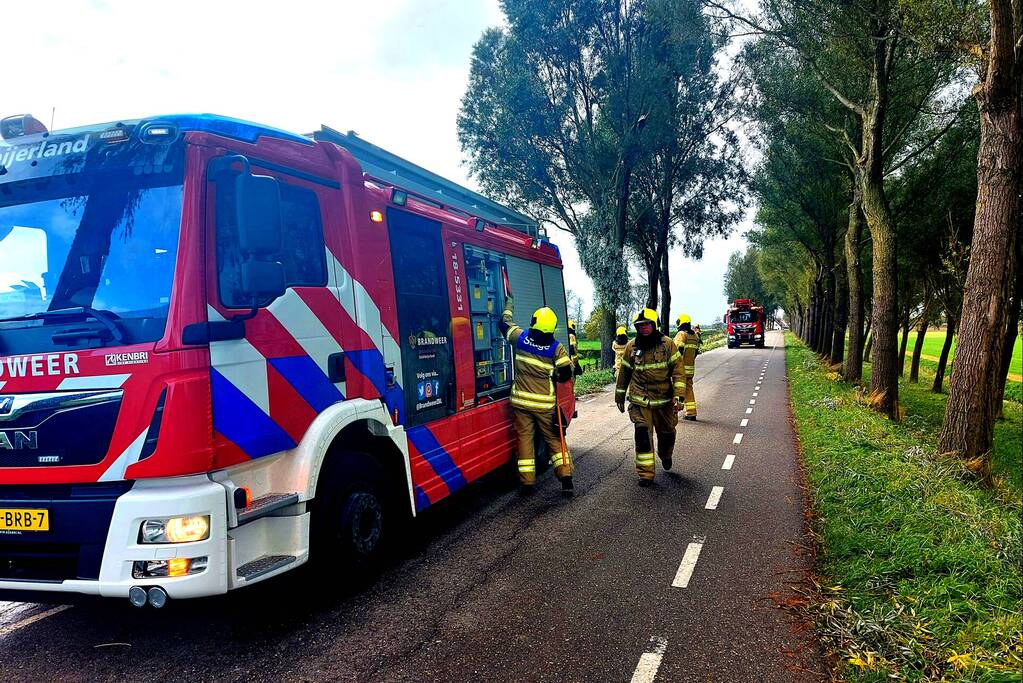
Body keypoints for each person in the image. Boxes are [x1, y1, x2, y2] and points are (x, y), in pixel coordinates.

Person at [499, 296, 575, 494]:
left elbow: (503, 323)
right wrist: (553, 374)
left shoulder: (520, 337)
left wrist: (509, 305)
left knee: (524, 439)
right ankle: (565, 477)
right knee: (554, 439)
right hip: (544, 406)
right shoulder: (556, 347)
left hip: (521, 403)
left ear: (534, 321)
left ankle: (527, 483)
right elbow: (566, 374)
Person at [615, 308, 686, 482]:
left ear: (654, 325)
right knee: (642, 435)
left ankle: (666, 455)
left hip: (664, 401)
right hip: (640, 401)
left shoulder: (668, 344)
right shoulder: (632, 346)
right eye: (639, 326)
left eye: (647, 324)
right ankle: (646, 474)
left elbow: (678, 372)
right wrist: (619, 396)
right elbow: (624, 372)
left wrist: (679, 396)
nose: (643, 328)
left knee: (667, 434)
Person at [674, 314, 699, 420]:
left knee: (675, 390)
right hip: (690, 369)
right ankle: (691, 412)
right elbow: (696, 352)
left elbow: (677, 351)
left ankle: (672, 412)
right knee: (688, 390)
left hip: (680, 370)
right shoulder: (695, 336)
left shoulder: (681, 334)